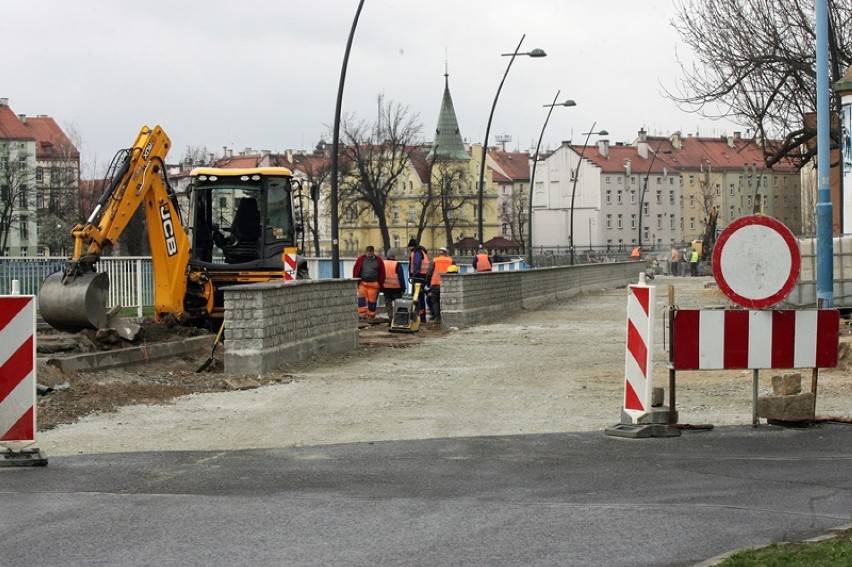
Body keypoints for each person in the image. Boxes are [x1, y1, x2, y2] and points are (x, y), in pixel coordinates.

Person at [353, 245, 385, 319]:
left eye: (370, 253)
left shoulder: (379, 261)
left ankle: (371, 315)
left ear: (373, 252)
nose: (369, 255)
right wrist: (356, 280)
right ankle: (362, 314)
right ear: (366, 252)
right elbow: (356, 269)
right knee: (361, 299)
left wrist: (379, 283)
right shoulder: (361, 259)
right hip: (363, 283)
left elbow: (382, 273)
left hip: (374, 284)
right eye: (368, 253)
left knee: (372, 301)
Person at [425, 247, 454, 322]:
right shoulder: (451, 260)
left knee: (435, 301)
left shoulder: (434, 261)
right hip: (447, 284)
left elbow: (428, 273)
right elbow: (455, 272)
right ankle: (446, 317)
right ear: (446, 253)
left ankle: (437, 318)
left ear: (439, 253)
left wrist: (428, 284)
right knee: (444, 300)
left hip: (435, 284)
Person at [407, 238, 430, 323]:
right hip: (423, 276)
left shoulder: (417, 252)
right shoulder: (422, 251)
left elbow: (417, 264)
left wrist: (414, 276)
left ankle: (418, 317)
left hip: (418, 277)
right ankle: (421, 317)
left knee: (417, 298)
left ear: (411, 246)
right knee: (420, 297)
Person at [381, 250, 406, 322]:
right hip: (396, 288)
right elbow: (401, 278)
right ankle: (397, 320)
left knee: (388, 305)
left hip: (386, 288)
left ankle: (390, 319)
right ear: (394, 256)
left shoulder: (383, 263)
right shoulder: (397, 264)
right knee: (398, 305)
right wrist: (403, 288)